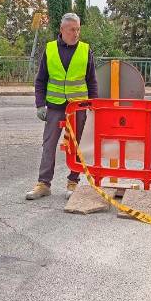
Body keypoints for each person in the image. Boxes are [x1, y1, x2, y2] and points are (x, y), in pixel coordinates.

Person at [26, 12, 98, 200]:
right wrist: (40, 104)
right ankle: (44, 184)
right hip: (55, 106)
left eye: (78, 29)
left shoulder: (85, 50)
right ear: (62, 30)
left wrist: (94, 104)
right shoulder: (50, 49)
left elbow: (92, 81)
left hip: (78, 107)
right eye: (72, 30)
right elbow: (41, 80)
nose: (76, 33)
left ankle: (73, 182)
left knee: (77, 145)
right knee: (49, 144)